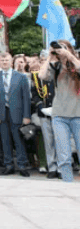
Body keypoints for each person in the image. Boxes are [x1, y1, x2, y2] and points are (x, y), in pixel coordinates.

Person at [39, 42, 80, 182]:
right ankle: (67, 183)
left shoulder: (76, 64)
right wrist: (49, 57)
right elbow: (42, 76)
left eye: (63, 47)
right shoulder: (55, 66)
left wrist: (69, 55)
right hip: (59, 115)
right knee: (63, 154)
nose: (60, 51)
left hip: (77, 114)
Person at [0, 52, 32, 176]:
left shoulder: (21, 77)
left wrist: (26, 116)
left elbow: (26, 99)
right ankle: (8, 165)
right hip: (2, 113)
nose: (4, 62)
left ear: (11, 61)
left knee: (18, 140)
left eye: (6, 60)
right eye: (2, 60)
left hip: (17, 113)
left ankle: (22, 165)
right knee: (5, 140)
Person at [29, 51, 57, 177]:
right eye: (42, 60)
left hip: (58, 112)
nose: (45, 62)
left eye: (47, 60)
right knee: (48, 141)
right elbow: (34, 93)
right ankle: (51, 167)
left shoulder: (58, 73)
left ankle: (61, 167)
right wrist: (40, 106)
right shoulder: (36, 76)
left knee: (60, 141)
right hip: (44, 112)